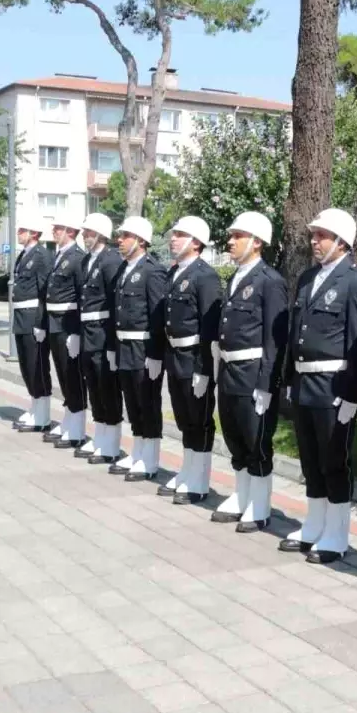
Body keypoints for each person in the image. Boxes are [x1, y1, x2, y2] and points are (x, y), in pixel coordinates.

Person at [279, 209, 357, 563]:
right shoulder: (308, 279)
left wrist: (352, 396)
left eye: (321, 236)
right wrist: (291, 380)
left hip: (334, 386)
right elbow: (296, 336)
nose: (314, 242)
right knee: (310, 460)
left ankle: (336, 534)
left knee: (334, 461)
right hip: (306, 383)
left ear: (341, 242)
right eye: (314, 235)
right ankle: (314, 525)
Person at [210, 212, 288, 532]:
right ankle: (242, 495)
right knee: (235, 438)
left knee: (256, 440)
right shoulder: (237, 277)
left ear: (256, 243)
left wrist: (267, 383)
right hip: (230, 369)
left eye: (238, 235)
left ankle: (259, 504)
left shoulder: (270, 281)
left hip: (252, 371)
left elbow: (274, 339)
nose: (230, 240)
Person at [158, 216, 222, 504]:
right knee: (184, 419)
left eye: (180, 234)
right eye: (174, 234)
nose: (173, 238)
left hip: (194, 356)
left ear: (196, 242)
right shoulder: (175, 273)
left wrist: (204, 369)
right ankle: (187, 470)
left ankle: (199, 481)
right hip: (175, 355)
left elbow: (210, 328)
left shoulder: (205, 276)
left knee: (199, 420)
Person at [108, 216, 168, 481]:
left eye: (126, 236)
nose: (120, 240)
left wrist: (155, 354)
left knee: (147, 402)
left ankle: (150, 460)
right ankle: (138, 452)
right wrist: (113, 345)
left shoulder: (152, 271)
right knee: (131, 402)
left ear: (141, 241)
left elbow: (158, 315)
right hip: (124, 344)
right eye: (121, 236)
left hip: (143, 347)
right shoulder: (124, 269)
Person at [76, 212, 127, 464]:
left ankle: (112, 444)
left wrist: (112, 342)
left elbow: (115, 302)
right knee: (94, 385)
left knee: (107, 387)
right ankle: (100, 437)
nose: (84, 235)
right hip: (88, 331)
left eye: (88, 232)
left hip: (103, 331)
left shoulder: (110, 261)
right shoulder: (88, 261)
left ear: (100, 235)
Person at [42, 213, 89, 449]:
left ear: (71, 232)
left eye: (59, 228)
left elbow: (82, 296)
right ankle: (69, 419)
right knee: (62, 373)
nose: (54, 232)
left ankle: (77, 428)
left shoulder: (78, 258)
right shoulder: (59, 255)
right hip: (55, 321)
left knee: (73, 376)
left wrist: (78, 332)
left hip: (69, 322)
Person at [11, 216, 55, 432]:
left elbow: (44, 292)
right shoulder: (24, 255)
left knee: (37, 366)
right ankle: (35, 407)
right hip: (21, 316)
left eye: (23, 230)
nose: (19, 233)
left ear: (35, 234)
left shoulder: (42, 256)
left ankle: (43, 414)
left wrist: (40, 322)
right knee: (26, 367)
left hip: (32, 317)